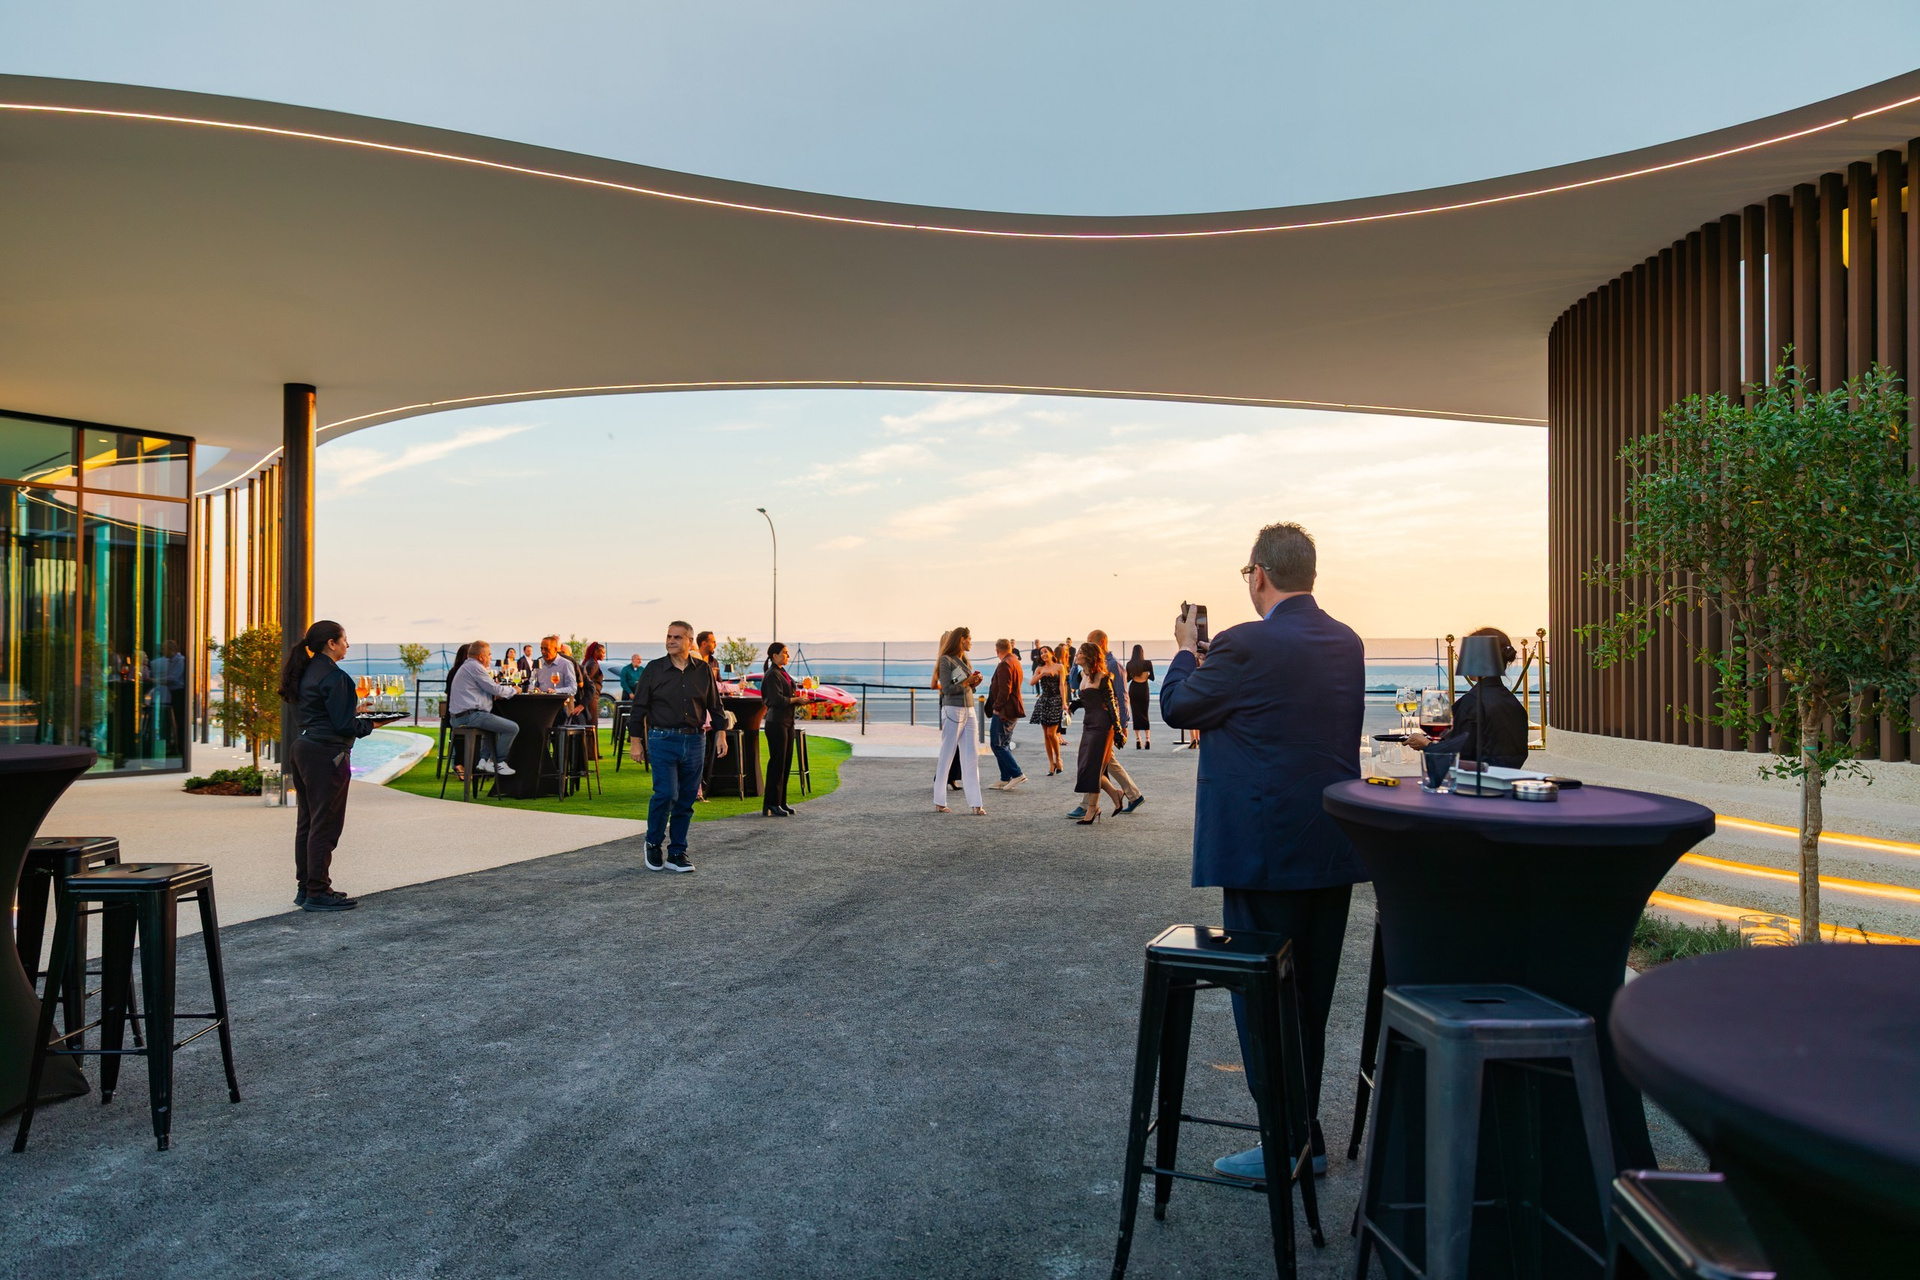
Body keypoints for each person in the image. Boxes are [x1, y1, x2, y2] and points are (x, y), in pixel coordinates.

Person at [1160, 520, 1365, 1181]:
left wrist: (1186, 650)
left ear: (1259, 574)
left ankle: (1285, 1144)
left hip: (1262, 851)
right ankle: (1307, 1138)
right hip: (1331, 847)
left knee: (1265, 1005)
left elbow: (1178, 708)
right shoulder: (1348, 642)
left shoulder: (1243, 643)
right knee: (1309, 1003)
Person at [278, 619, 376, 913]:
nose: (347, 645)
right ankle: (318, 892)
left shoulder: (304, 672)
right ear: (331, 643)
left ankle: (306, 887)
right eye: (344, 640)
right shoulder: (335, 677)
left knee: (308, 822)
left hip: (304, 748)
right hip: (327, 754)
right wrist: (372, 723)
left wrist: (353, 711)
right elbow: (344, 725)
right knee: (326, 824)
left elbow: (321, 713)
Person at [633, 620, 729, 872]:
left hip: (695, 741)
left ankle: (677, 852)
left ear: (690, 641)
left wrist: (721, 734)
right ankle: (653, 842)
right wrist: (635, 742)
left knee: (686, 798)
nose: (671, 641)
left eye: (677, 637)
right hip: (662, 739)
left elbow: (715, 705)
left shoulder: (703, 670)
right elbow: (639, 707)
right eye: (669, 636)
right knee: (666, 794)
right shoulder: (654, 669)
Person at [1406, 627, 1530, 768]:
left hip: (1476, 780)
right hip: (1508, 778)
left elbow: (1459, 758)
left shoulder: (1472, 703)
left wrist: (1426, 744)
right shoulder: (1514, 704)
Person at [1087, 629, 1144, 813]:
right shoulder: (1096, 664)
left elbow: (1122, 695)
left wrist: (1122, 724)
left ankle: (1087, 805)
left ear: (1101, 643)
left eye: (1090, 643)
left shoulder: (1114, 665)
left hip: (1110, 721)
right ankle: (1133, 795)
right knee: (1105, 760)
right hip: (1098, 720)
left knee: (1096, 760)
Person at [1069, 642, 1126, 823]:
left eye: (1080, 652)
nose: (1077, 655)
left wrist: (1118, 730)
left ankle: (1092, 809)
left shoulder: (1103, 676)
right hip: (1088, 724)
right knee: (1086, 766)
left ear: (1089, 656)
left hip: (1102, 726)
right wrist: (1075, 704)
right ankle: (1115, 794)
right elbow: (1089, 698)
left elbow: (1111, 704)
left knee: (1092, 767)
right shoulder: (1083, 675)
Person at [932, 627, 986, 815]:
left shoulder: (963, 660)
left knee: (972, 756)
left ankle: (976, 804)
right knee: (947, 755)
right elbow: (947, 689)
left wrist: (974, 683)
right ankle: (939, 801)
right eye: (969, 639)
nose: (971, 642)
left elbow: (965, 686)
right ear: (961, 639)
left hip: (969, 709)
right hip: (952, 710)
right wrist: (967, 682)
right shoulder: (945, 660)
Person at [447, 639, 520, 777]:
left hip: (460, 717)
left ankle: (483, 760)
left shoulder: (467, 666)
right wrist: (515, 690)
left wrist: (495, 694)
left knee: (492, 726)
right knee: (512, 728)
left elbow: (484, 690)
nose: (491, 658)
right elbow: (495, 688)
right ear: (481, 657)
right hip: (470, 716)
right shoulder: (475, 667)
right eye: (489, 654)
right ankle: (497, 762)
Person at [761, 642, 801, 817]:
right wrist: (796, 700)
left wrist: (798, 698)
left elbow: (788, 694)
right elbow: (776, 700)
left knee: (785, 763)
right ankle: (771, 803)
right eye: (784, 652)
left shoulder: (782, 672)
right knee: (777, 763)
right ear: (775, 655)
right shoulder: (771, 675)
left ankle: (781, 800)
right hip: (776, 722)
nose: (787, 656)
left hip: (787, 722)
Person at [985, 638, 1027, 791]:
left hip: (1004, 711)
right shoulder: (1015, 661)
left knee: (997, 744)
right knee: (1004, 743)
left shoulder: (1005, 664)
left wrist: (996, 707)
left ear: (997, 651)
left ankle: (1017, 774)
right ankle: (1005, 778)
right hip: (1013, 709)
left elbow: (1005, 690)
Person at [1029, 644, 1066, 775]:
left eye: (1045, 652)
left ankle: (1058, 758)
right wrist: (1042, 674)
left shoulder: (1059, 667)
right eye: (1041, 653)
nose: (1043, 654)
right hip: (1044, 701)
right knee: (1046, 734)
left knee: (1051, 733)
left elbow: (1062, 685)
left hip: (1056, 700)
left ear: (1051, 653)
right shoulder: (1040, 668)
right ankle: (1051, 763)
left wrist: (1064, 703)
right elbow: (1032, 682)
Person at [531, 635, 578, 699]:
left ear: (555, 649)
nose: (543, 651)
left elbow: (573, 688)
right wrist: (533, 688)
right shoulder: (538, 663)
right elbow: (531, 682)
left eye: (546, 649)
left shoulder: (566, 664)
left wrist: (556, 692)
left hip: (559, 702)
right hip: (540, 701)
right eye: (541, 649)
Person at [1126, 644, 1155, 749]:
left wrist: (1134, 674)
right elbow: (1152, 678)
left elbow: (1127, 679)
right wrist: (1145, 675)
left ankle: (1138, 739)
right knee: (1145, 713)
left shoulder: (1129, 664)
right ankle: (1147, 738)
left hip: (1134, 689)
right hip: (1144, 689)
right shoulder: (1147, 663)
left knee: (1136, 714)